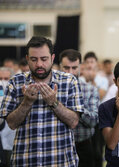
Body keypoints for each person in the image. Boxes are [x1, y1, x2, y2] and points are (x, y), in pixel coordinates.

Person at [0, 36, 84, 166]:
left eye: (44, 59)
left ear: (52, 58)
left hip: (60, 161)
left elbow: (74, 122)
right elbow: (11, 123)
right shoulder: (15, 82)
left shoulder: (69, 81)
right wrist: (26, 103)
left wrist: (54, 103)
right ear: (27, 59)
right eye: (34, 59)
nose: (39, 64)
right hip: (25, 161)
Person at [59, 49, 100, 167]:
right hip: (59, 145)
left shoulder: (90, 89)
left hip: (84, 145)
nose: (70, 72)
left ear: (80, 67)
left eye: (74, 68)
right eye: (66, 68)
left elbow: (93, 121)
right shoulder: (52, 90)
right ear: (60, 66)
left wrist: (77, 107)